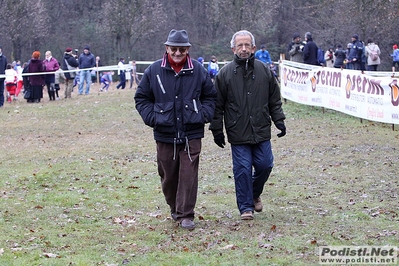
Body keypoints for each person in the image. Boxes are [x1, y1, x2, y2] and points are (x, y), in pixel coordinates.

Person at [134, 29, 217, 230]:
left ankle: (186, 214)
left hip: (191, 134)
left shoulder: (198, 70)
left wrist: (203, 115)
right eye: (174, 49)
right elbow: (142, 98)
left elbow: (211, 97)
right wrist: (153, 118)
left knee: (188, 174)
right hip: (164, 133)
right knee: (168, 176)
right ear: (167, 48)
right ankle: (174, 206)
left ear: (188, 49)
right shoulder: (153, 71)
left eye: (182, 49)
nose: (178, 53)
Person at [209, 30, 286, 220]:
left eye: (247, 45)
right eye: (239, 45)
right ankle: (245, 207)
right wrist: (217, 130)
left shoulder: (264, 71)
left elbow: (274, 99)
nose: (243, 49)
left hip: (261, 127)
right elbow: (217, 105)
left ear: (253, 48)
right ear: (233, 48)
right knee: (242, 169)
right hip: (238, 130)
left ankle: (253, 193)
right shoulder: (224, 74)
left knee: (265, 165)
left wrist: (279, 120)